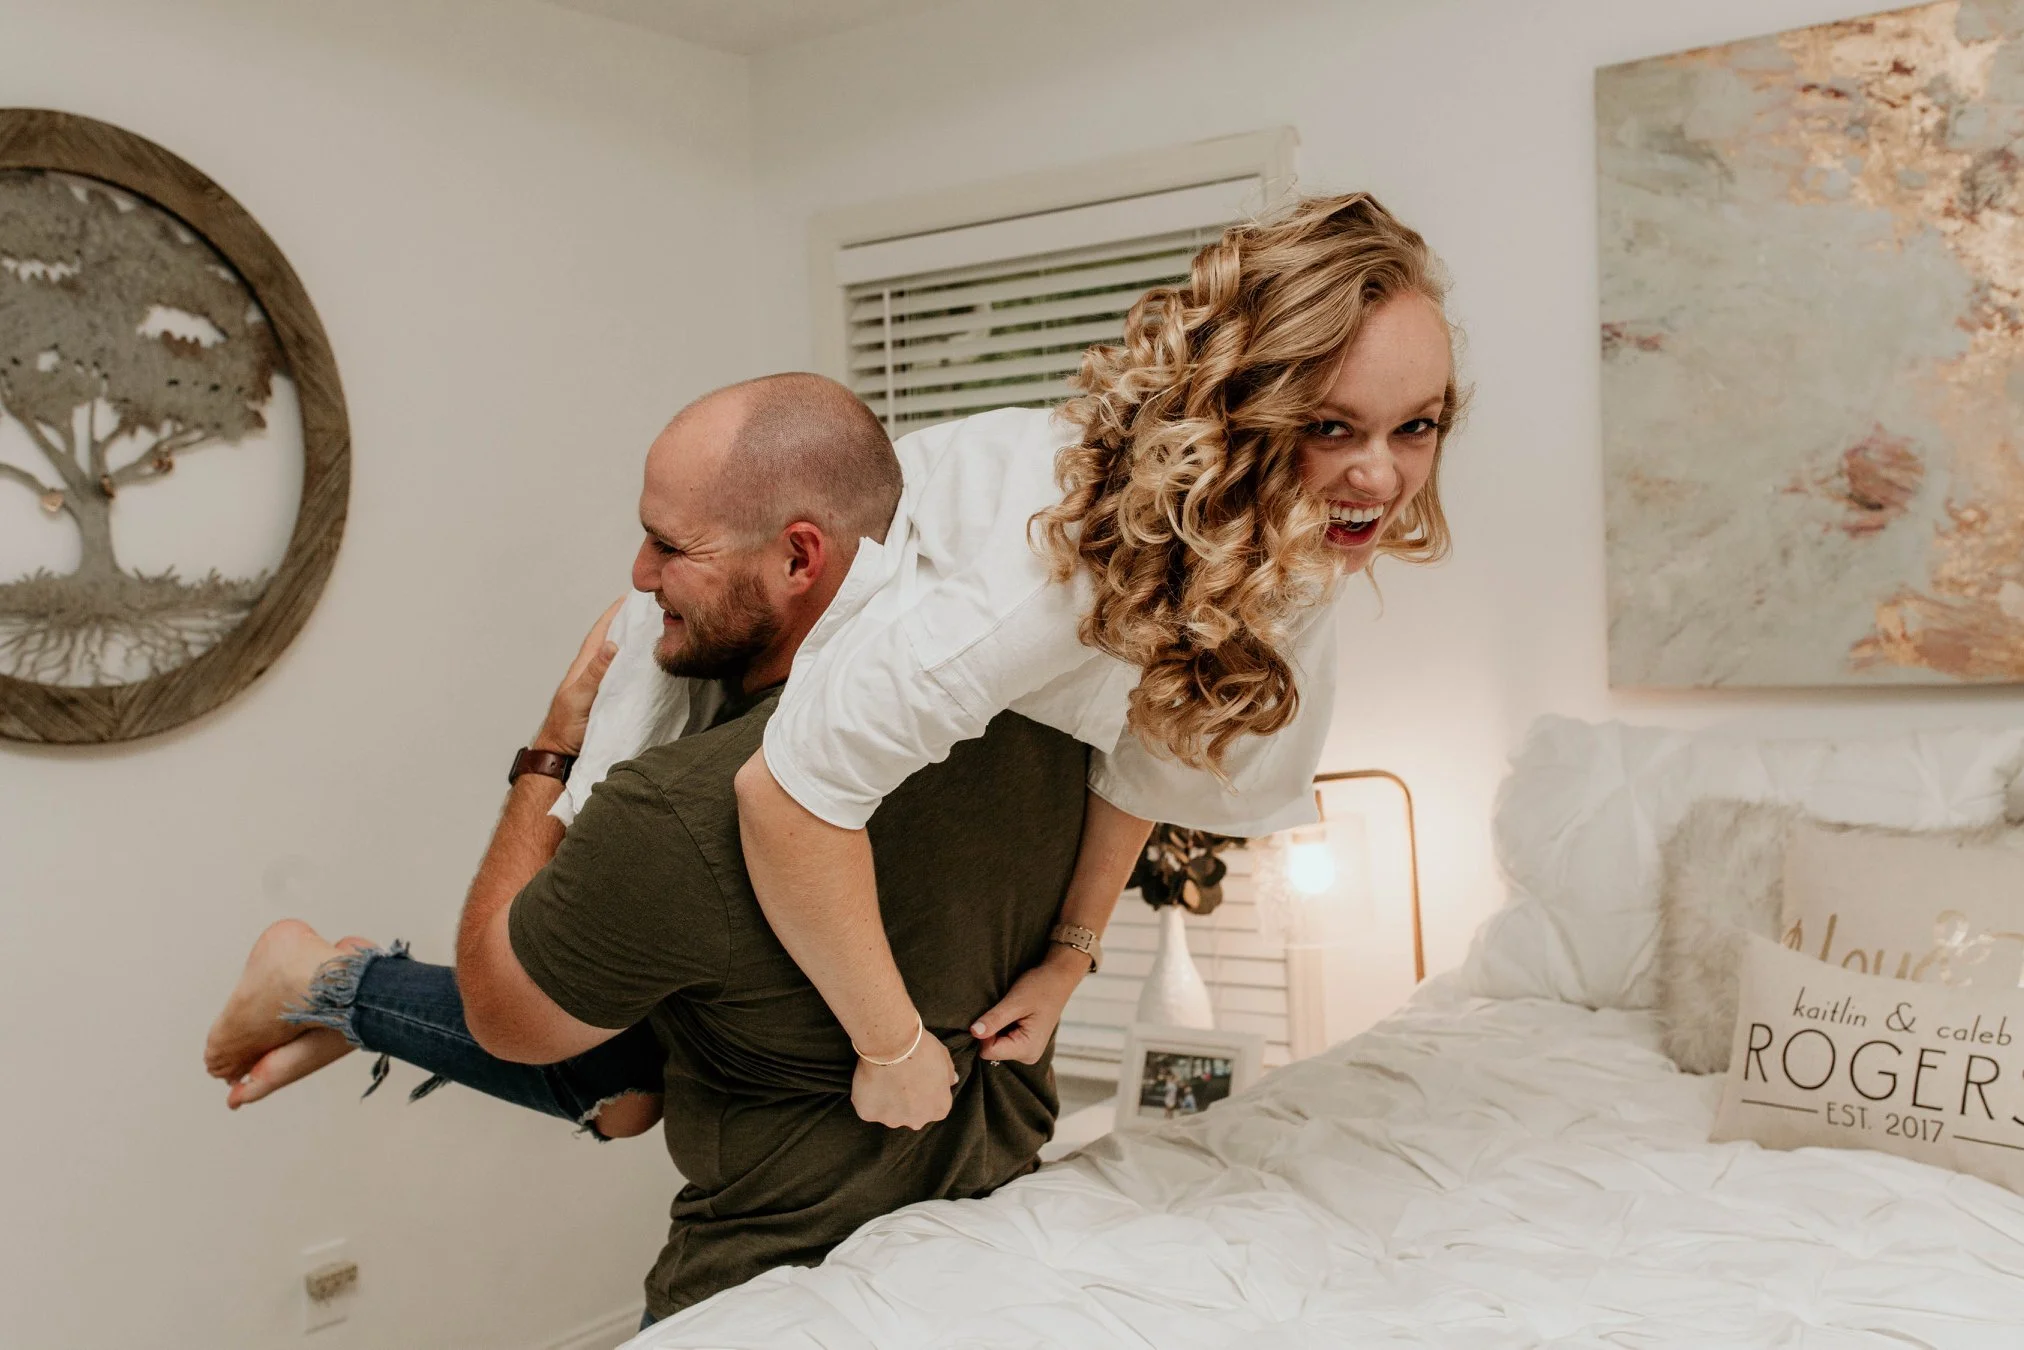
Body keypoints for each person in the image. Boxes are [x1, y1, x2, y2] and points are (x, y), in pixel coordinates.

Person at [203, 375, 1102, 1323]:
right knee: (625, 1070)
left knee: (610, 1066)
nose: (639, 574)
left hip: (777, 1279)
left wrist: (553, 746)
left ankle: (326, 983)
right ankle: (333, 992)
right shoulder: (1038, 714)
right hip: (989, 1243)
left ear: (799, 556)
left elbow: (502, 1010)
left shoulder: (678, 808)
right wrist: (1072, 955)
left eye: (671, 547)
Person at [722, 192, 1461, 1131]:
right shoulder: (1050, 568)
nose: (1382, 478)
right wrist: (892, 1050)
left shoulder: (1294, 537)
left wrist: (1070, 955)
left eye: (1416, 427)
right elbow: (784, 796)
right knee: (575, 1051)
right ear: (1238, 407)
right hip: (744, 704)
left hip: (889, 818)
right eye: (1329, 427)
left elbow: (1158, 741)